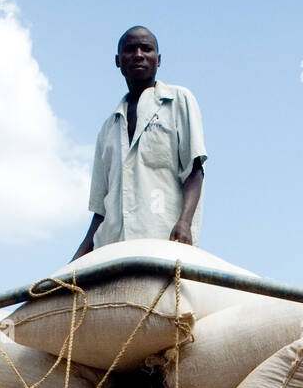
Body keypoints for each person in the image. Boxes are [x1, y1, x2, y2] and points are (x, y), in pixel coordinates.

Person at [71, 27, 206, 260]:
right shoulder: (108, 128)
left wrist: (184, 223)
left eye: (147, 48)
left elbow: (194, 171)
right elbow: (101, 209)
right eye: (130, 49)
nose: (139, 54)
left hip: (163, 240)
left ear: (159, 60)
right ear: (118, 61)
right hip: (112, 250)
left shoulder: (178, 101)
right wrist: (80, 255)